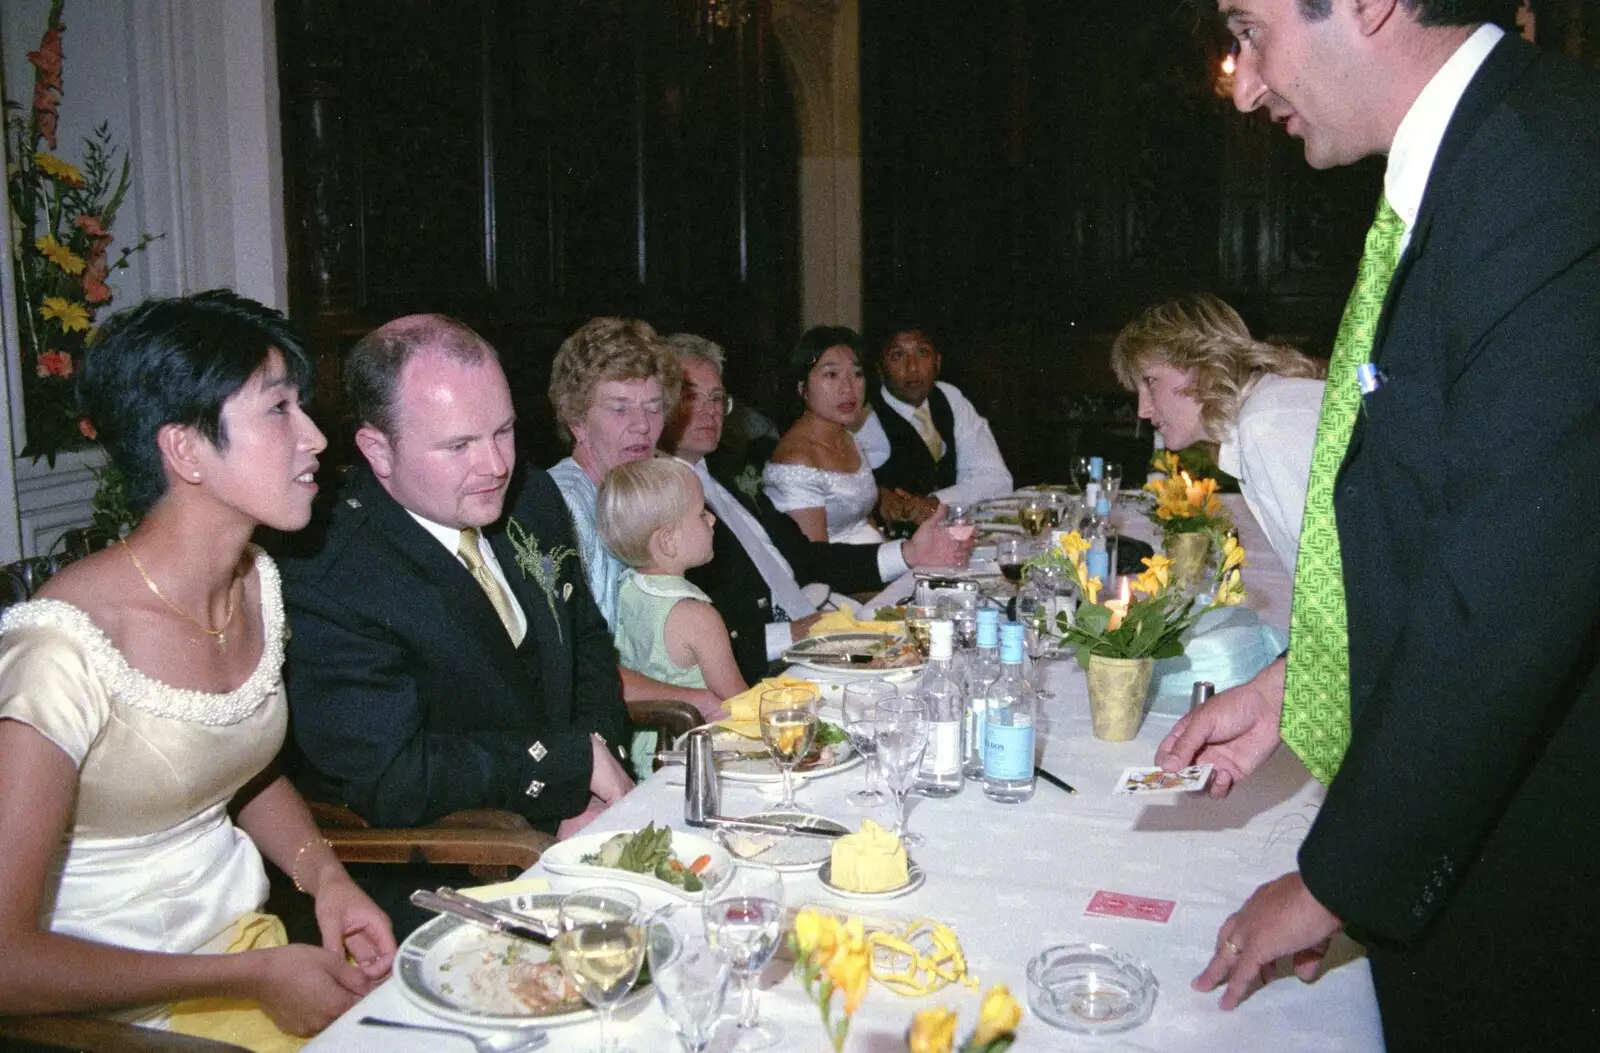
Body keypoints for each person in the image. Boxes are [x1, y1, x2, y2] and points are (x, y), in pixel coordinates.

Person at [1157, 3, 1600, 1047]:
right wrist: (1300, 681)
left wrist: (1332, 882)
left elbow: (1506, 590)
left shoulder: (1546, 172)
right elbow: (1425, 511)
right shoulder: (1477, 157)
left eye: (1249, 29)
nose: (1244, 84)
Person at [0, 291, 395, 1048]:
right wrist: (248, 978)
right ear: (184, 450)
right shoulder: (64, 646)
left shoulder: (254, 581)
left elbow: (232, 761)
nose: (314, 437)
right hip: (106, 1012)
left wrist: (329, 879)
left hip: (249, 949)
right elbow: (8, 961)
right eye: (278, 410)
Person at [282, 315, 633, 860]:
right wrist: (568, 768)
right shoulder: (332, 573)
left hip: (585, 816)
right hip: (458, 867)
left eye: (504, 431)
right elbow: (392, 777)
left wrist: (595, 779)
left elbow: (585, 641)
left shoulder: (531, 497)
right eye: (458, 446)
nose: (495, 465)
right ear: (377, 450)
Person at [660, 334, 972, 683]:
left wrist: (909, 553)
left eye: (717, 398)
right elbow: (694, 630)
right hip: (764, 668)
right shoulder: (662, 502)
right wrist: (792, 634)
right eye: (691, 397)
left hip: (813, 627)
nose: (710, 410)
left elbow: (806, 557)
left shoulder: (726, 473)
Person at [546, 317, 723, 718]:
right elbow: (573, 665)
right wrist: (697, 701)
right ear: (577, 421)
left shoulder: (645, 489)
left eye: (654, 407)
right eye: (619, 408)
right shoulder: (565, 504)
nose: (642, 425)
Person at [1110, 293, 1326, 573]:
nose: (1143, 410)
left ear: (1202, 363)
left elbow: (1335, 569)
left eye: (1150, 381)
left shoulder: (1267, 425)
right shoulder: (1263, 413)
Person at [596, 458, 747, 701]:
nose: (712, 519)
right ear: (669, 541)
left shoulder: (624, 589)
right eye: (701, 514)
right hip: (697, 735)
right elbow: (739, 704)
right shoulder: (698, 617)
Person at [854, 325, 1013, 523]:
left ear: (938, 361)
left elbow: (997, 480)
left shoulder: (950, 398)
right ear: (879, 368)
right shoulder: (862, 416)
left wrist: (938, 502)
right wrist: (876, 497)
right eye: (897, 356)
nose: (912, 367)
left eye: (923, 352)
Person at [764, 327, 885, 544]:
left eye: (857, 374)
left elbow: (863, 522)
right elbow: (815, 561)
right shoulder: (797, 461)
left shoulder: (848, 437)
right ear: (802, 387)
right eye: (832, 374)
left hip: (874, 561)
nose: (848, 388)